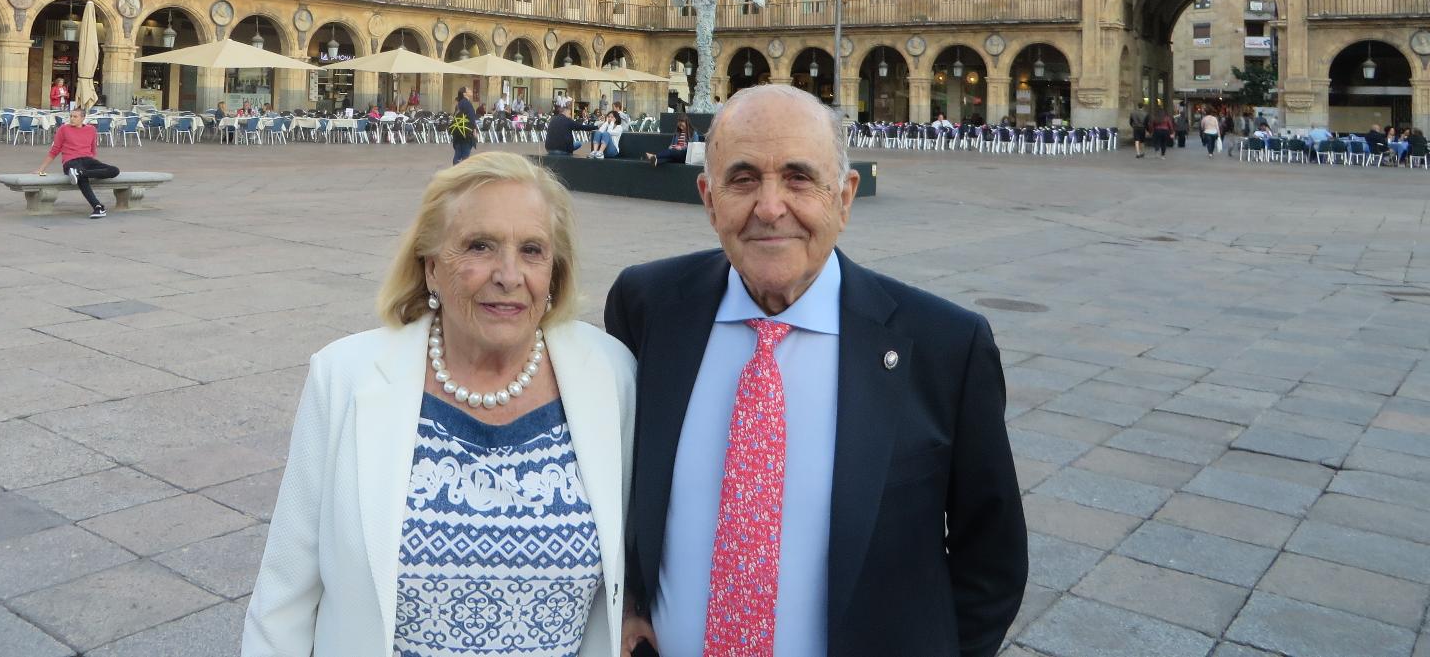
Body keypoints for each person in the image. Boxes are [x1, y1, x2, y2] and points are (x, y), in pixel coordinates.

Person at [606, 85, 1026, 657]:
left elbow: (992, 561)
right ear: (709, 197)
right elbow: (618, 487)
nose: (770, 207)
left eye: (799, 178)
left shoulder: (945, 346)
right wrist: (628, 599)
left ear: (845, 197)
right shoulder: (648, 304)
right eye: (743, 179)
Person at [243, 154, 636, 657]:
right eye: (479, 247)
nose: (509, 275)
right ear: (430, 266)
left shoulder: (611, 376)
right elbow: (284, 596)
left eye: (532, 250)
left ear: (555, 272)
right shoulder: (345, 377)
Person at [35, 107, 119, 219]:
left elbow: (93, 150)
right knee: (82, 179)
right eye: (71, 116)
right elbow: (55, 150)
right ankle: (98, 207)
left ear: (83, 118)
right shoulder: (63, 129)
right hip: (71, 162)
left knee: (114, 170)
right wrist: (41, 169)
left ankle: (80, 173)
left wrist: (90, 164)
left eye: (75, 116)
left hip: (88, 161)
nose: (72, 119)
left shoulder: (91, 130)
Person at [449, 85, 478, 165]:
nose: (470, 90)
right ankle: (461, 173)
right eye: (468, 89)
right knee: (465, 155)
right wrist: (474, 130)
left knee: (458, 154)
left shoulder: (460, 103)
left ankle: (455, 171)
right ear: (465, 94)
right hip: (466, 132)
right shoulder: (467, 103)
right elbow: (471, 118)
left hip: (458, 131)